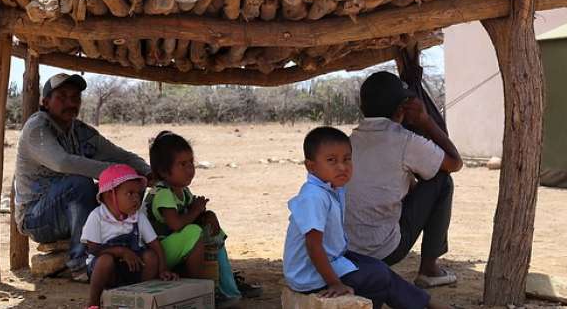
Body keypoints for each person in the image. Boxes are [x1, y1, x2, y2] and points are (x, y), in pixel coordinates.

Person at [283, 126, 448, 309]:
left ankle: (425, 303)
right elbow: (313, 246)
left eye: (347, 159)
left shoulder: (332, 188)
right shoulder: (314, 196)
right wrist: (334, 283)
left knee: (378, 267)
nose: (342, 167)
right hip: (308, 274)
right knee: (376, 277)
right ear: (311, 167)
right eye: (331, 160)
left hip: (331, 258)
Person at [14, 73, 151, 281]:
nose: (70, 103)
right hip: (36, 217)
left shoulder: (78, 130)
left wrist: (146, 171)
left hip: (64, 209)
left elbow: (118, 154)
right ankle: (80, 264)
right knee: (81, 184)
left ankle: (125, 246)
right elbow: (63, 163)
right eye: (62, 97)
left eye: (75, 98)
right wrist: (116, 173)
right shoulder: (37, 128)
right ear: (45, 102)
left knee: (122, 192)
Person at [344, 71, 463, 288]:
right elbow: (455, 163)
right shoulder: (406, 141)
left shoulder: (348, 142)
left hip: (345, 250)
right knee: (442, 181)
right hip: (383, 250)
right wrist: (426, 121)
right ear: (402, 109)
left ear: (362, 109)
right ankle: (429, 269)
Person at [144, 131, 260, 307]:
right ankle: (199, 288)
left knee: (212, 232)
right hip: (157, 253)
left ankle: (226, 287)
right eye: (182, 164)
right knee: (193, 232)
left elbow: (193, 217)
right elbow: (176, 224)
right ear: (163, 171)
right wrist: (197, 210)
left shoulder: (183, 191)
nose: (190, 169)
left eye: (191, 162)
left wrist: (207, 215)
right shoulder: (163, 193)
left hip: (173, 247)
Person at [81, 164, 177, 309]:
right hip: (107, 272)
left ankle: (138, 298)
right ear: (109, 195)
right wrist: (121, 251)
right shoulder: (97, 216)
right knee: (105, 260)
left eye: (138, 194)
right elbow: (93, 249)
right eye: (130, 194)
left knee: (151, 256)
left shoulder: (137, 216)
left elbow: (155, 243)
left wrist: (163, 269)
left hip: (132, 268)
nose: (136, 199)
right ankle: (93, 303)